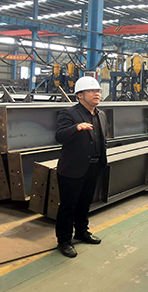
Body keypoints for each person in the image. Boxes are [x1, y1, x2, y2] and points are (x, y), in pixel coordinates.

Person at [54, 76, 107, 258]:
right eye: (92, 91)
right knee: (68, 206)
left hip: (93, 167)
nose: (97, 94)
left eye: (98, 91)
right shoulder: (69, 113)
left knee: (85, 203)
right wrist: (76, 128)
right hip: (73, 169)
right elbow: (59, 136)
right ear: (80, 95)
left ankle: (82, 232)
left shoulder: (101, 115)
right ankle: (64, 240)